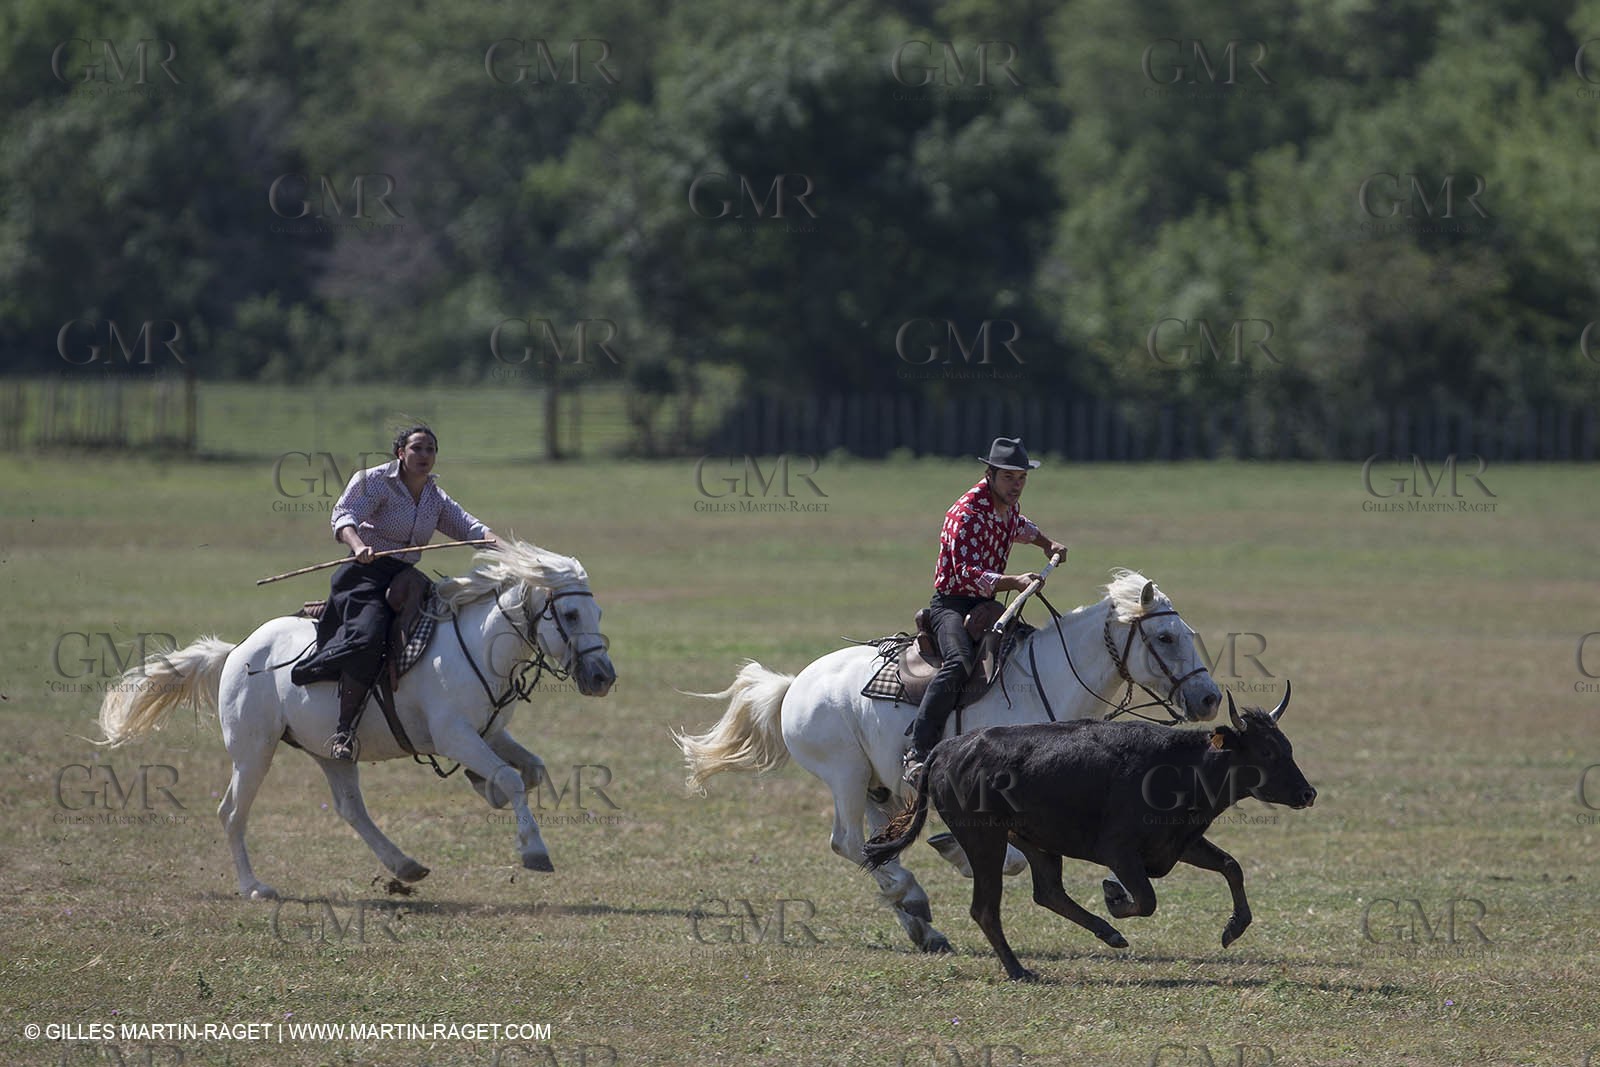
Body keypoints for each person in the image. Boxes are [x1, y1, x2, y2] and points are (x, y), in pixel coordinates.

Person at [289, 425, 498, 760]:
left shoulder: (434, 497)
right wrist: (358, 544)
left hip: (404, 577)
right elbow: (344, 515)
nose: (424, 456)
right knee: (368, 637)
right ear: (400, 452)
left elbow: (469, 527)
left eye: (431, 449)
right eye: (417, 448)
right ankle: (344, 729)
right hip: (363, 574)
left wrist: (508, 548)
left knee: (445, 620)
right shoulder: (373, 481)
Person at [901, 437, 1067, 786]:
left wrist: (1047, 543)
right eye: (1008, 478)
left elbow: (1022, 528)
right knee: (958, 663)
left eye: (1021, 478)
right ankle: (917, 750)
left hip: (987, 604)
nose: (1016, 485)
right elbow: (963, 573)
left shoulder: (1007, 508)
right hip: (952, 602)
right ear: (989, 474)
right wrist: (1014, 581)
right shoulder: (965, 513)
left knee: (1024, 652)